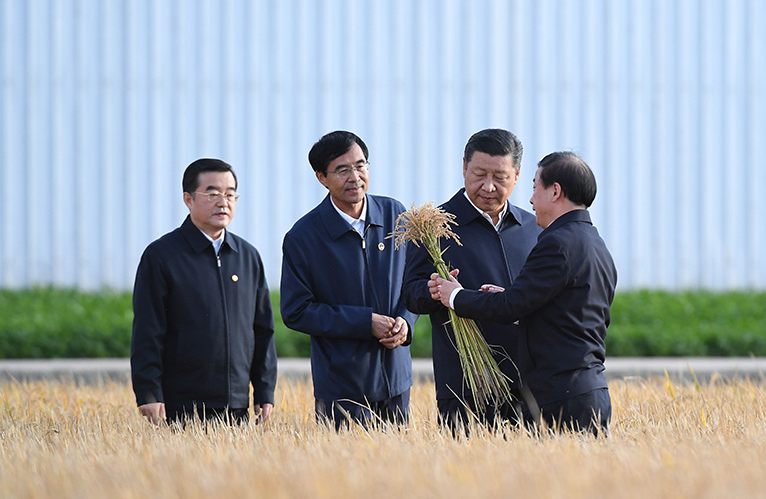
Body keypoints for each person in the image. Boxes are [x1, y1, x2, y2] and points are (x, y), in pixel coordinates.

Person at [429, 152, 617, 435]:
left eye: (534, 187)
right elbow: (563, 311)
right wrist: (511, 296)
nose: (530, 200)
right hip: (590, 391)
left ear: (555, 191)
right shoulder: (595, 243)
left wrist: (455, 295)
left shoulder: (556, 243)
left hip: (560, 396)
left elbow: (510, 306)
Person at [402, 129, 541, 430]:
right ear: (464, 167)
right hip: (465, 386)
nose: (488, 187)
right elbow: (410, 294)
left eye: (500, 177)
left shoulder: (534, 227)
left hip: (531, 385)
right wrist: (433, 290)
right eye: (479, 174)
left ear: (517, 175)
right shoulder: (432, 227)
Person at [280, 131, 415, 430]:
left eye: (360, 165)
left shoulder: (395, 214)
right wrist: (365, 322)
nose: (355, 177)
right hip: (342, 388)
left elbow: (413, 281)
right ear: (322, 178)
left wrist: (406, 321)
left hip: (396, 381)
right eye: (342, 170)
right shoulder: (303, 237)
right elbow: (296, 311)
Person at [131, 158, 278, 425]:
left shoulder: (247, 256)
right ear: (188, 199)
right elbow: (147, 330)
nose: (223, 202)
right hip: (180, 406)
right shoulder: (162, 256)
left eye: (230, 195)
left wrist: (264, 390)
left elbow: (262, 330)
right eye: (212, 194)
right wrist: (148, 391)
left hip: (236, 405)